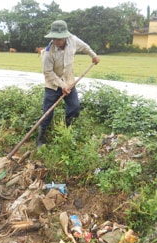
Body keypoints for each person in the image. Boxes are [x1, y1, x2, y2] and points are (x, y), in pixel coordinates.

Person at [37, 20, 100, 148]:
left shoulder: (73, 40)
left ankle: (67, 130)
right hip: (53, 85)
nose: (57, 41)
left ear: (66, 36)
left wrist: (93, 56)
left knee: (75, 107)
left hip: (69, 82)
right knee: (47, 112)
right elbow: (47, 72)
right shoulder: (48, 53)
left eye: (59, 39)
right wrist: (62, 86)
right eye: (54, 38)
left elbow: (85, 47)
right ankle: (40, 138)